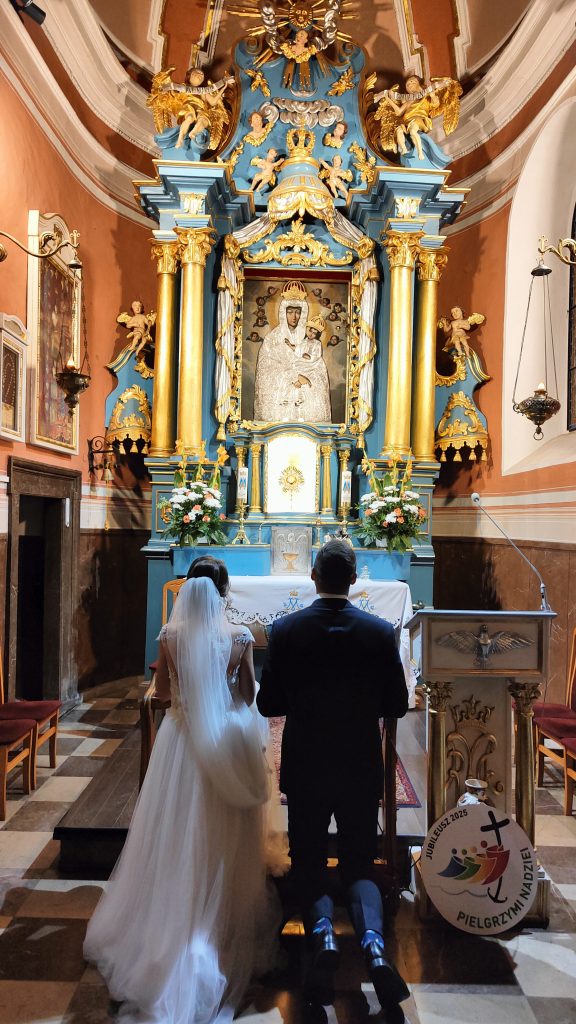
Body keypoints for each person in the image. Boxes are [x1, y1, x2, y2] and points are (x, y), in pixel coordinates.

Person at [84, 557, 278, 1024]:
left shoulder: (170, 636)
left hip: (181, 741)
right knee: (223, 826)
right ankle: (220, 913)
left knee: (174, 824)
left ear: (188, 589)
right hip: (226, 740)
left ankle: (173, 904)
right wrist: (223, 692)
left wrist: (189, 694)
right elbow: (248, 695)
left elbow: (164, 694)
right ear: (224, 591)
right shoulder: (240, 636)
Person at [257, 540, 410, 1019]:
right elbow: (397, 704)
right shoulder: (380, 632)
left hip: (306, 762)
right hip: (359, 762)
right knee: (359, 861)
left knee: (307, 857)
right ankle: (374, 946)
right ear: (355, 578)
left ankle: (322, 934)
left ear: (313, 577)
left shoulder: (286, 630)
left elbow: (269, 704)